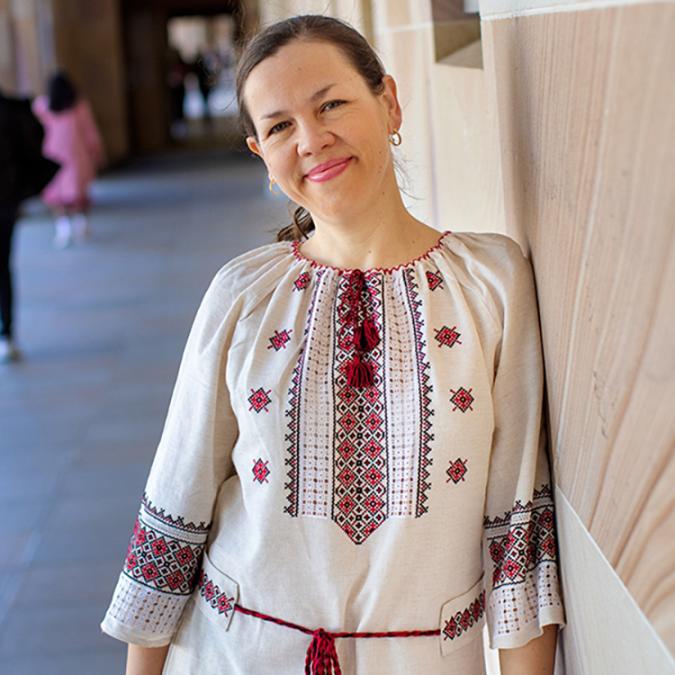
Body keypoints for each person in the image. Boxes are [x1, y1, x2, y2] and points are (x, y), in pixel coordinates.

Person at [100, 14, 566, 675]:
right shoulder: (242, 294)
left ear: (389, 102)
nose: (312, 139)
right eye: (280, 126)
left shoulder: (490, 283)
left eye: (332, 104)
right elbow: (177, 506)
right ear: (262, 155)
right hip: (233, 653)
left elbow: (517, 527)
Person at [0, 88, 60, 363]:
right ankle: (7, 333)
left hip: (5, 199)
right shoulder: (11, 109)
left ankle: (6, 333)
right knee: (3, 265)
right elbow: (36, 138)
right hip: (6, 200)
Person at [32, 71, 105, 249]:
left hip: (51, 156)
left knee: (57, 195)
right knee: (78, 193)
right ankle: (81, 223)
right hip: (76, 156)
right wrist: (97, 152)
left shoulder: (42, 107)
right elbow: (90, 133)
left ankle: (63, 228)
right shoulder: (79, 107)